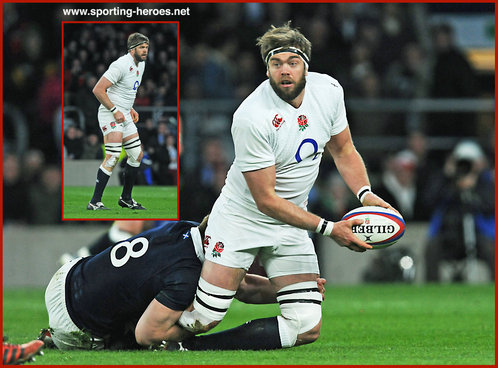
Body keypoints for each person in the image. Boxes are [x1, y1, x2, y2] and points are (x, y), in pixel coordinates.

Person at [173, 22, 396, 351]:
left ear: (306, 64)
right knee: (203, 317)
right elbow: (265, 200)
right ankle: (140, 313)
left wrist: (366, 193)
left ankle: (196, 349)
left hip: (290, 223)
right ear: (267, 70)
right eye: (276, 64)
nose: (285, 70)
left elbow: (344, 149)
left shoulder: (330, 91)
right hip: (241, 220)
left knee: (306, 326)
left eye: (292, 62)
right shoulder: (252, 116)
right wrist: (331, 228)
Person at [44, 217, 325, 350]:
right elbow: (147, 333)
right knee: (143, 341)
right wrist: (187, 336)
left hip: (69, 276)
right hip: (74, 321)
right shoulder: (184, 277)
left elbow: (241, 286)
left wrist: (291, 291)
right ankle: (63, 339)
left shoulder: (185, 230)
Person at [86, 32, 149, 210]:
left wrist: (129, 108)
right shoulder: (120, 65)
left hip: (124, 113)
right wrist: (115, 110)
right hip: (109, 112)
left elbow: (124, 91)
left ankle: (126, 198)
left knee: (136, 154)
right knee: (113, 156)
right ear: (132, 49)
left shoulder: (141, 65)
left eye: (146, 47)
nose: (145, 51)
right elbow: (98, 89)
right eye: (141, 48)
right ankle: (95, 201)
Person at [424, 140, 494, 282]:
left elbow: (490, 206)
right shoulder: (445, 180)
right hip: (449, 233)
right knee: (431, 248)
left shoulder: (484, 181)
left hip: (477, 233)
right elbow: (429, 201)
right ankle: (432, 288)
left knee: (492, 249)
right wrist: (450, 179)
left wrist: (473, 189)